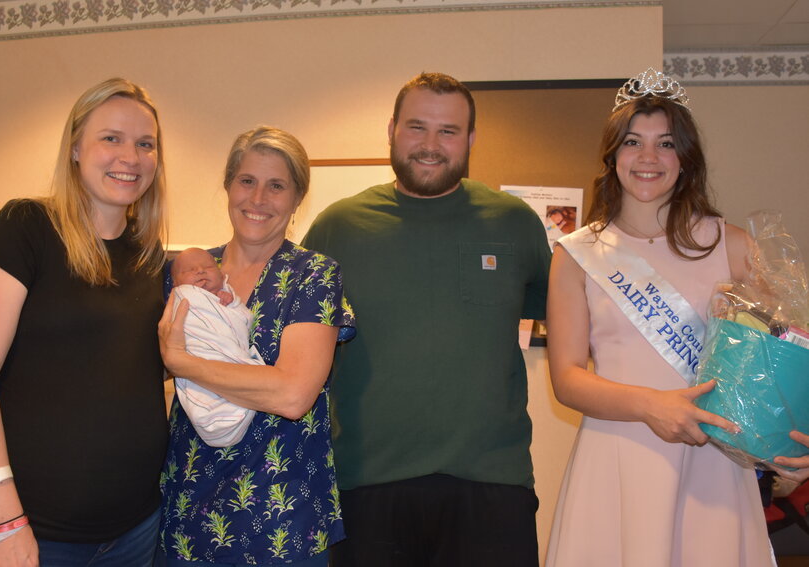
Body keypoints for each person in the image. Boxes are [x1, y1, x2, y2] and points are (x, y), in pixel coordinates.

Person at [544, 67, 802, 566]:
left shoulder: (731, 245)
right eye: (633, 142)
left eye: (665, 144)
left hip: (713, 461)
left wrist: (793, 442)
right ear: (612, 155)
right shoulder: (576, 254)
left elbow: (788, 357)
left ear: (685, 158)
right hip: (617, 453)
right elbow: (568, 379)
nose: (647, 158)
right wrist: (652, 405)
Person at [302, 72, 551, 567]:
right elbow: (290, 337)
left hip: (492, 488)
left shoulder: (515, 222)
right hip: (366, 487)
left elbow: (578, 323)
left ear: (471, 139)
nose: (431, 145)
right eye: (417, 127)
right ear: (392, 129)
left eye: (449, 131)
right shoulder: (338, 227)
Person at [0, 78, 169, 565]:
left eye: (145, 144)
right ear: (75, 147)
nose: (130, 157)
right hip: (25, 529)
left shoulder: (151, 256)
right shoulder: (26, 228)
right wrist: (6, 522)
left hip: (134, 531)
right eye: (111, 138)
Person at [157, 126, 354, 567]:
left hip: (282, 515)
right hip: (189, 505)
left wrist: (182, 362)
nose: (258, 198)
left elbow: (292, 394)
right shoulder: (186, 273)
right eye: (247, 180)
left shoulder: (313, 275)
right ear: (228, 185)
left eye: (277, 185)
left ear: (297, 198)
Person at [169, 247, 264, 448]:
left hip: (228, 360)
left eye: (208, 266)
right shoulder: (182, 296)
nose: (200, 271)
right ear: (175, 283)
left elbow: (242, 319)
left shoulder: (225, 296)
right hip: (199, 354)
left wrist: (230, 302)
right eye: (189, 270)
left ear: (222, 275)